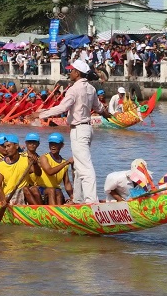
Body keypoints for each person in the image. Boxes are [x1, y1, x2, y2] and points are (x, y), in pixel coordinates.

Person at [36, 60, 112, 204]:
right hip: (87, 129)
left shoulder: (74, 89)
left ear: (77, 73)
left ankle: (91, 201)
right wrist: (107, 114)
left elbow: (62, 108)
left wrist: (40, 114)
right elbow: (99, 108)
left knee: (85, 167)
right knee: (77, 166)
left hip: (79, 130)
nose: (69, 72)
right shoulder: (91, 88)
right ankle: (78, 199)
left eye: (71, 70)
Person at [38, 133, 73, 205]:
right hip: (42, 189)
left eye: (56, 144)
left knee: (58, 192)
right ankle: (54, 210)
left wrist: (72, 196)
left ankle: (58, 210)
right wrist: (66, 163)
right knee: (52, 191)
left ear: (62, 145)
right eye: (51, 144)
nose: (53, 146)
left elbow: (67, 183)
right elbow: (49, 172)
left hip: (56, 191)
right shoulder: (44, 158)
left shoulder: (63, 162)